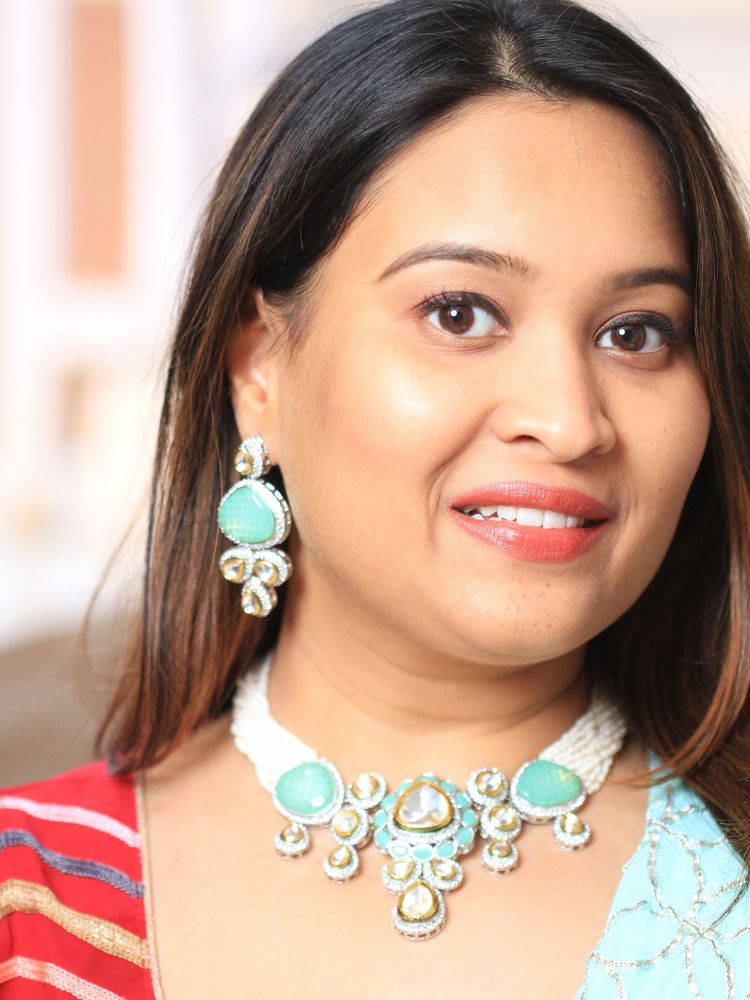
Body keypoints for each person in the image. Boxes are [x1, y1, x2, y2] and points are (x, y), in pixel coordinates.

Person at [2, 0, 750, 996]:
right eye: (460, 313)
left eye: (637, 333)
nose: (571, 421)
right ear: (258, 367)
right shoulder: (28, 908)